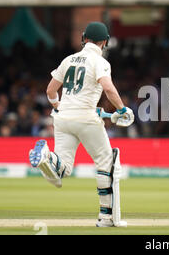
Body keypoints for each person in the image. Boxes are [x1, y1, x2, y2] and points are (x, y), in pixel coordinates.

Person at [28, 22, 134, 228]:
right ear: (105, 42)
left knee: (63, 169)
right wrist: (122, 109)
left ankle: (47, 157)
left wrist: (60, 106)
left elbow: (50, 90)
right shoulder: (100, 61)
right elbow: (109, 89)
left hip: (62, 118)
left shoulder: (68, 60)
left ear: (84, 38)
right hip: (85, 118)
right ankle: (106, 218)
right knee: (106, 162)